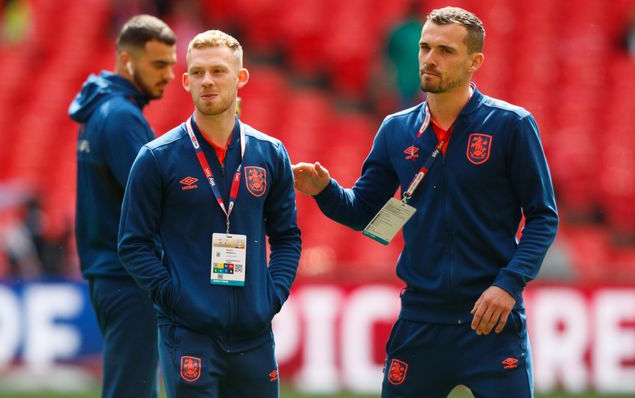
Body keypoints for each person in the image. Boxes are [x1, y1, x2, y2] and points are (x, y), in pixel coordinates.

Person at [293, 7, 558, 398]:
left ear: (475, 62)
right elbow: (363, 211)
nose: (430, 58)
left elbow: (542, 217)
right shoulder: (396, 129)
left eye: (446, 51)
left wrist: (508, 284)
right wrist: (324, 191)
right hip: (420, 321)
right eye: (425, 47)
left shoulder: (511, 125)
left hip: (491, 321)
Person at [118, 30, 301, 397]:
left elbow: (287, 237)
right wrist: (175, 296)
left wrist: (273, 294)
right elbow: (132, 243)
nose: (207, 81)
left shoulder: (270, 153)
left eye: (218, 71)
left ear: (241, 77)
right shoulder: (157, 158)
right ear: (185, 82)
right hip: (188, 336)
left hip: (254, 336)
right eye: (198, 73)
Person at [68, 15, 176, 398]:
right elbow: (155, 197)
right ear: (128, 62)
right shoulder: (122, 118)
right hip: (129, 276)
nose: (168, 75)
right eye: (159, 64)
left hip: (110, 272)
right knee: (131, 389)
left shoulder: (102, 109)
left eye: (171, 65)